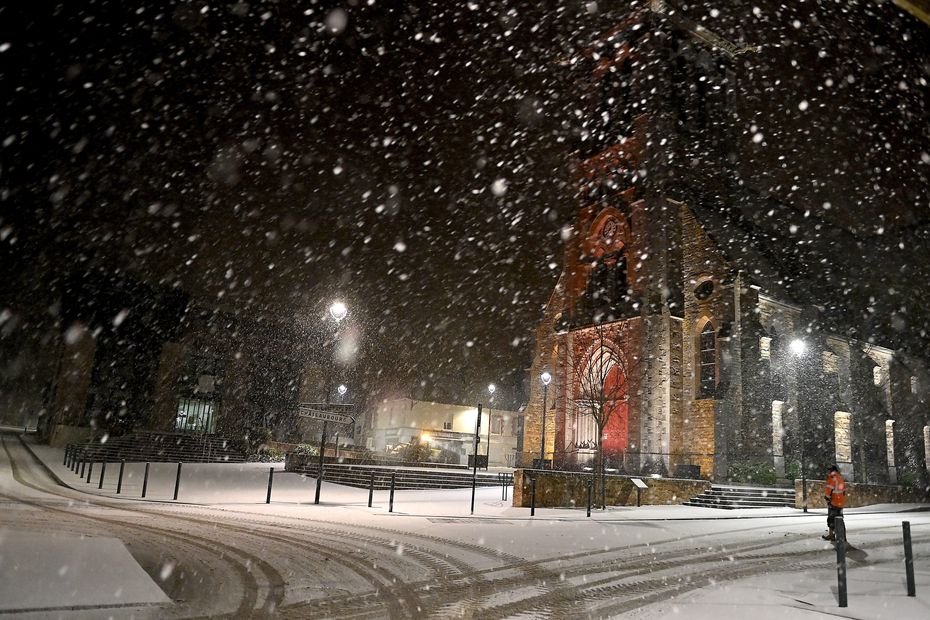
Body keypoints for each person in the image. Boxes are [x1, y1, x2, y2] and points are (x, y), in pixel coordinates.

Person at [822, 465, 846, 541]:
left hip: (833, 502)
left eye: (828, 470)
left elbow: (828, 489)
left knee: (831, 519)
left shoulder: (832, 477)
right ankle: (842, 536)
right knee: (839, 519)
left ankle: (831, 535)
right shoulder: (840, 478)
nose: (827, 472)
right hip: (840, 502)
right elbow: (844, 491)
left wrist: (827, 498)